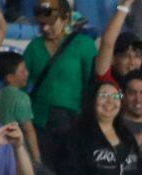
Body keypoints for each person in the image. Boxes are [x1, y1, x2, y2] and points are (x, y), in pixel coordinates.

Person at [24, 0, 98, 161]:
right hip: (39, 123)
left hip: (73, 122)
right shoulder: (34, 47)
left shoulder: (84, 45)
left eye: (50, 23)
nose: (45, 28)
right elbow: (20, 83)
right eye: (41, 24)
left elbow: (93, 86)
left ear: (66, 19)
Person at [58, 83, 142, 175]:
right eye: (104, 95)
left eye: (115, 96)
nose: (110, 101)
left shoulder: (126, 135)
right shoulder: (77, 135)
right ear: (92, 100)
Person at [0, 53, 41, 166]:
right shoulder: (21, 98)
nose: (27, 73)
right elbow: (29, 131)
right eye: (22, 71)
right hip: (16, 154)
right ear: (10, 78)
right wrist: (36, 160)